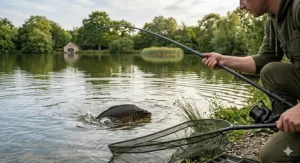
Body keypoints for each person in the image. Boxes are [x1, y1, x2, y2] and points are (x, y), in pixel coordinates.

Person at [202, 0, 300, 162]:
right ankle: (290, 129)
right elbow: (263, 60)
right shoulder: (273, 20)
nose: (240, 6)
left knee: (273, 156)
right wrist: (224, 61)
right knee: (271, 71)